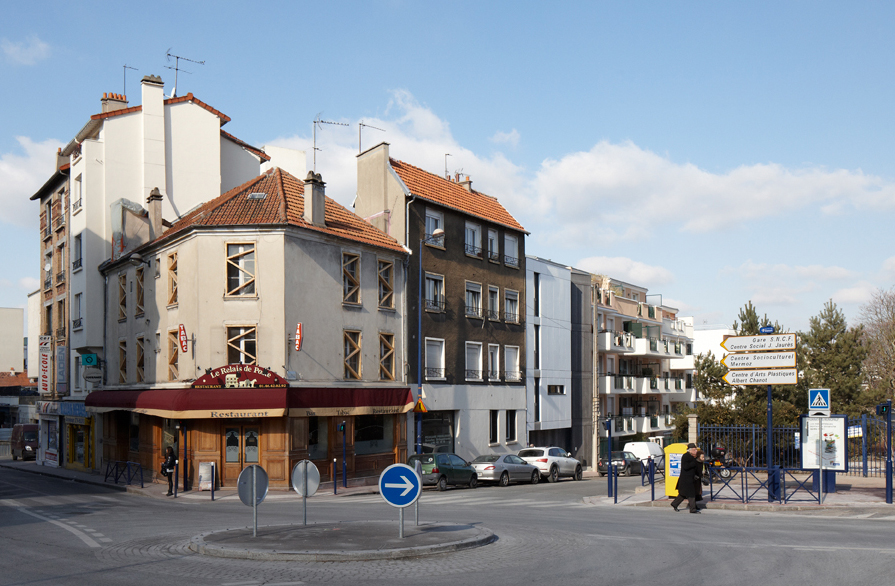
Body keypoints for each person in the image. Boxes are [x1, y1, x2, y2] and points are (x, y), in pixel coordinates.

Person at [670, 443, 701, 513]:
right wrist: (694, 463)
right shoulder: (686, 456)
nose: (696, 451)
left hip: (690, 479)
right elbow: (685, 466)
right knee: (691, 494)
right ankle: (693, 509)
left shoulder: (692, 457)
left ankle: (674, 504)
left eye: (696, 450)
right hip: (686, 479)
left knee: (683, 494)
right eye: (694, 450)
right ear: (689, 450)